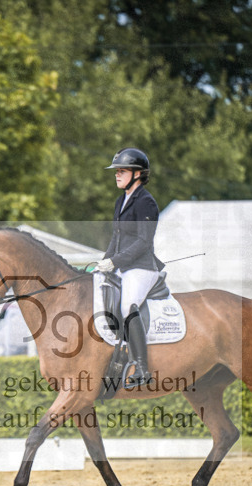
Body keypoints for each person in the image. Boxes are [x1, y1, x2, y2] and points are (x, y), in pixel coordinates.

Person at [95, 147, 165, 389]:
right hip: (123, 266)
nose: (116, 175)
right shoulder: (120, 200)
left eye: (122, 171)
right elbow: (116, 240)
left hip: (142, 268)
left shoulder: (146, 202)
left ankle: (143, 368)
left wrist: (115, 262)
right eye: (116, 171)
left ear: (137, 174)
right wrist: (103, 263)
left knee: (127, 305)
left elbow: (143, 241)